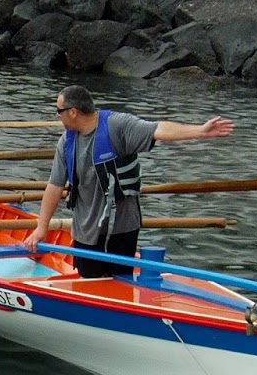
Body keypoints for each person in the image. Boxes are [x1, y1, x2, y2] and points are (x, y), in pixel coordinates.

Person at [25, 85, 235, 277]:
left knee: (121, 282)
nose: (57, 115)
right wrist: (42, 228)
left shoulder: (117, 126)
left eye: (59, 111)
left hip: (122, 228)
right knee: (90, 283)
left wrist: (199, 131)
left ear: (73, 112)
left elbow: (158, 129)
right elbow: (55, 186)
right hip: (86, 231)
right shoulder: (67, 142)